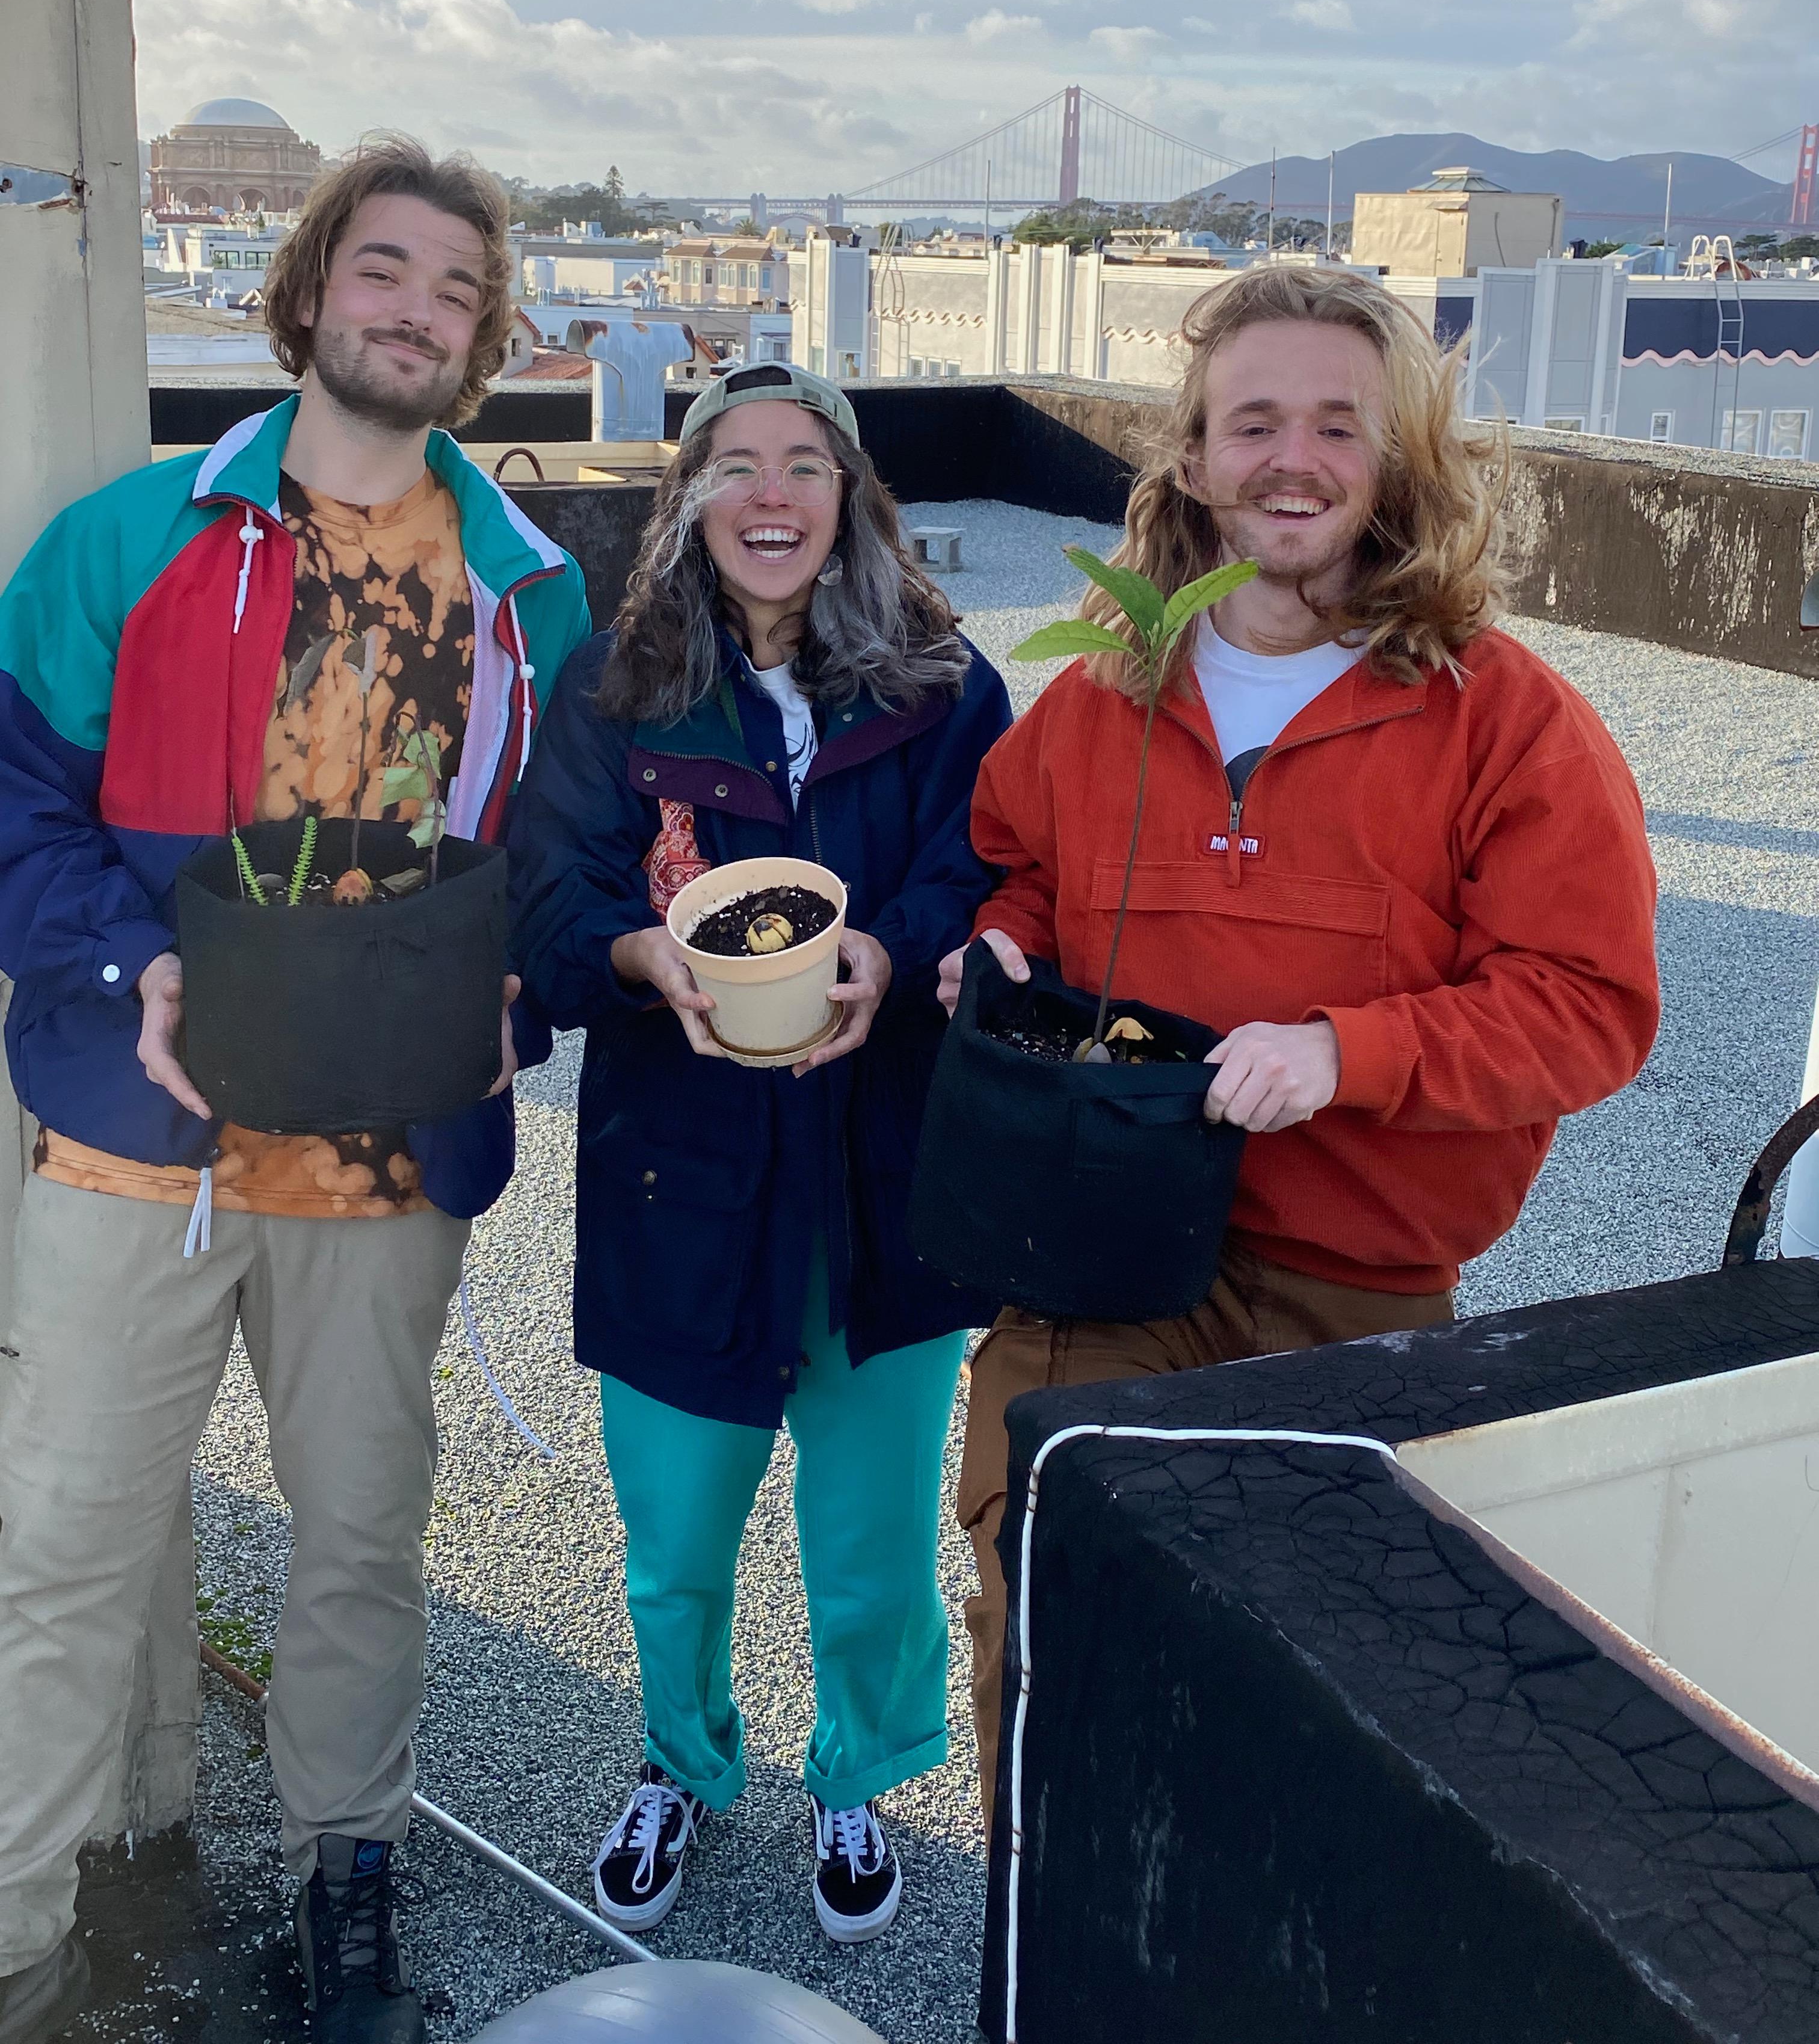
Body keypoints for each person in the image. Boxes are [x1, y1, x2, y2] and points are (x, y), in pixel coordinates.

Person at [938, 263, 1661, 1829]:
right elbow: (1016, 875)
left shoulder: (1507, 720)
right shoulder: (1100, 694)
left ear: (1397, 458)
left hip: (1354, 1289)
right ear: (1191, 457)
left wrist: (1353, 1052)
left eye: (1340, 424)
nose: (1294, 458)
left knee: (1312, 1688)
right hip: (1100, 1261)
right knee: (1051, 1603)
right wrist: (996, 950)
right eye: (1253, 419)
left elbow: (1592, 1006)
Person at [0, 137, 590, 2044]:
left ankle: (351, 1879)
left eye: (455, 292)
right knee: (66, 1544)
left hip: (387, 1161)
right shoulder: (123, 540)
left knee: (359, 1544)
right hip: (126, 1140)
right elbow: (14, 803)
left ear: (484, 341)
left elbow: (560, 865)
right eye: (386, 269)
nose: (415, 310)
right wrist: (129, 963)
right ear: (314, 286)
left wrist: (534, 988)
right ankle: (17, 1926)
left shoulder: (532, 591)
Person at [508, 362, 1010, 1944]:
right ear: (689, 501)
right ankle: (681, 1762)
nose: (774, 494)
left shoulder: (940, 686)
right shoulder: (614, 690)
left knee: (869, 1541)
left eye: (808, 462)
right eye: (736, 465)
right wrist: (648, 963)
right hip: (683, 1173)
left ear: (853, 496)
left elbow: (988, 871)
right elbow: (552, 902)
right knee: (675, 1537)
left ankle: (858, 1773)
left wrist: (895, 954)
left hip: (883, 1178)